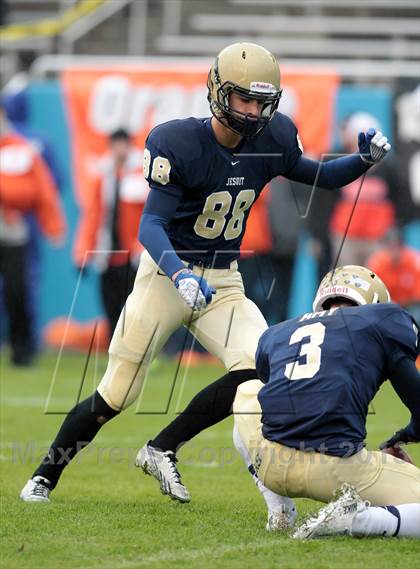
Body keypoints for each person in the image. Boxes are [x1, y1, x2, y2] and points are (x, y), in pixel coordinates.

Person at [20, 42, 391, 509]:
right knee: (117, 392)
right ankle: (44, 476)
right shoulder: (178, 141)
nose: (254, 112)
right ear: (218, 92)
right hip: (165, 276)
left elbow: (318, 174)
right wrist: (179, 275)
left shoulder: (273, 137)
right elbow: (150, 225)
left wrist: (362, 161)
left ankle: (162, 447)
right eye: (244, 99)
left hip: (224, 280)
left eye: (262, 102)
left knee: (261, 366)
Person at [232, 265, 420, 539]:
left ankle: (279, 509)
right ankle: (359, 518)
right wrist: (406, 435)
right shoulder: (383, 319)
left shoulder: (277, 333)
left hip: (271, 464)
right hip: (337, 471)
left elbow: (278, 386)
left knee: (247, 391)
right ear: (375, 302)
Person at [0, 104, 66, 366]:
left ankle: (22, 349)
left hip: (13, 228)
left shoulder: (21, 148)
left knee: (18, 290)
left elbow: (42, 188)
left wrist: (52, 226)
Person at [73, 128, 147, 336]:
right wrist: (82, 252)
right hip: (107, 255)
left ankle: (141, 353)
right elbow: (93, 216)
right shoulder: (103, 177)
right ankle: (116, 356)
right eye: (116, 144)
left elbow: (149, 216)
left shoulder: (141, 176)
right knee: (111, 307)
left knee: (135, 308)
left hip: (133, 255)